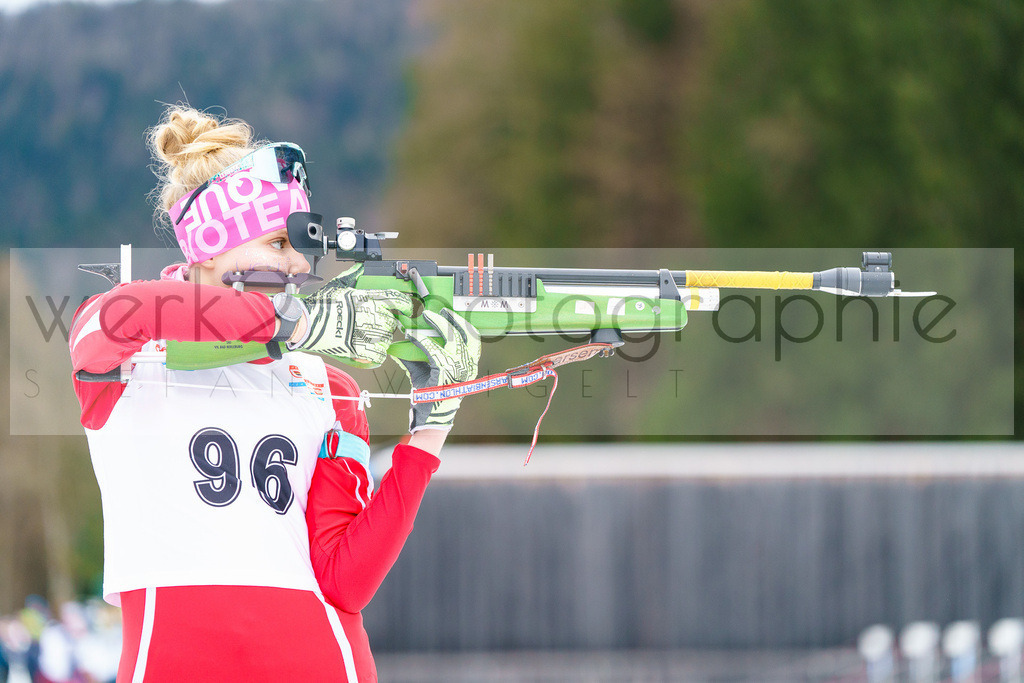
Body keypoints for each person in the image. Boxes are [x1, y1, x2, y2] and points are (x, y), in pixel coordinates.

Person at [69, 105, 480, 682]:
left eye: (301, 247)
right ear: (210, 248)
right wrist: (297, 324)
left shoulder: (329, 386)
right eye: (276, 243)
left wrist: (433, 423)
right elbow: (117, 313)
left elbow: (345, 581)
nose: (298, 265)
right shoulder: (129, 351)